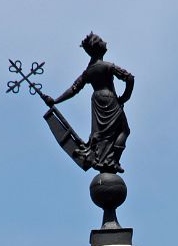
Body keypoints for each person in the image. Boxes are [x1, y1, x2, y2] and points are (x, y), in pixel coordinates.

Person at [42, 33, 134, 173]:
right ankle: (113, 161)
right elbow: (129, 78)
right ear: (98, 47)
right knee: (124, 130)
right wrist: (124, 98)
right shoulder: (108, 66)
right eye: (102, 41)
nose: (105, 42)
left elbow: (74, 89)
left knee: (102, 134)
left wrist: (56, 100)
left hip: (97, 100)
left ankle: (106, 160)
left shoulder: (88, 71)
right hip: (110, 99)